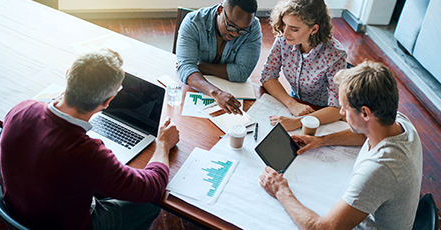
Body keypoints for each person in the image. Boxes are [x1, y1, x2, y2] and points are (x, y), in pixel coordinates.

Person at [0, 49, 180, 230]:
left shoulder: (21, 109)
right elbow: (151, 188)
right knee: (150, 205)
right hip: (67, 226)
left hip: (18, 212)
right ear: (108, 102)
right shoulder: (88, 154)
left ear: (68, 75)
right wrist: (163, 144)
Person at [259, 60, 423, 229]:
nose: (341, 112)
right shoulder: (397, 121)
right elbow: (363, 136)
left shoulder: (380, 169)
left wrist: (280, 190)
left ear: (365, 113)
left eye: (345, 108)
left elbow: (321, 228)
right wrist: (322, 140)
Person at [261, 0, 347, 131]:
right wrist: (292, 104)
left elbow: (336, 108)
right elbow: (267, 76)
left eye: (294, 29)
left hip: (322, 113)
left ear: (314, 29)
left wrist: (299, 122)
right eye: (284, 24)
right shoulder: (284, 39)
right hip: (296, 104)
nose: (285, 33)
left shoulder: (335, 55)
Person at [176, 0, 262, 115]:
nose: (235, 34)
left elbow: (242, 72)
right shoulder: (193, 22)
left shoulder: (253, 27)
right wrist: (216, 93)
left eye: (242, 30)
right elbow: (186, 69)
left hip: (229, 92)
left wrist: (199, 66)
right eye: (231, 26)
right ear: (220, 10)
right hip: (194, 92)